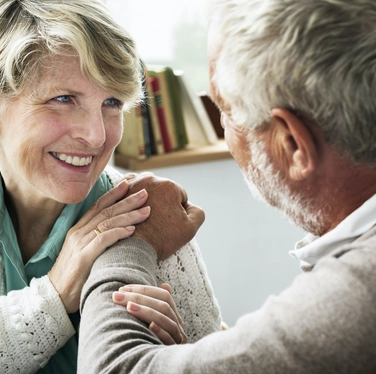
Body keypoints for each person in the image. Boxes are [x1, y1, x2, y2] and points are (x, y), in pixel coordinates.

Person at [77, 0, 376, 372]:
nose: (93, 136)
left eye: (226, 111)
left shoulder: (360, 294)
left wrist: (126, 239)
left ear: (294, 145)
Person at [0, 0, 223, 372]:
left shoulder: (150, 214)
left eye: (111, 102)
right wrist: (55, 298)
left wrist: (176, 358)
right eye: (63, 99)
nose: (96, 136)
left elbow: (214, 355)